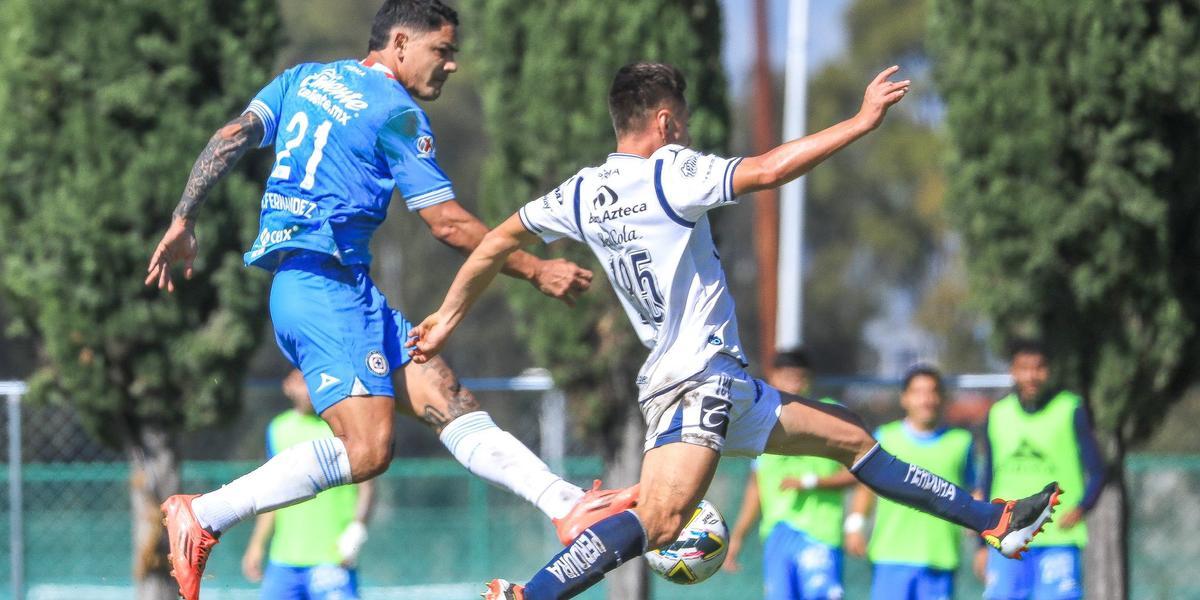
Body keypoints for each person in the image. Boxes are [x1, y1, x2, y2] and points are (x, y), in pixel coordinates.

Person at [407, 61, 1062, 600]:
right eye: (683, 123)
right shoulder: (672, 171)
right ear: (665, 122)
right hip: (701, 379)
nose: (687, 133)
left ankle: (995, 519)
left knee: (854, 437)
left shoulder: (580, 192)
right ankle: (533, 596)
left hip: (705, 380)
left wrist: (449, 314)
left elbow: (494, 242)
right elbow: (771, 169)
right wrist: (860, 123)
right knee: (661, 521)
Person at [145, 3, 635, 598]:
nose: (452, 65)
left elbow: (230, 138)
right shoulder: (397, 114)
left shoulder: (303, 79)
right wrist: (536, 269)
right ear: (400, 43)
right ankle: (205, 515)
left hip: (338, 287)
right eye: (443, 51)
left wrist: (183, 216)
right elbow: (447, 224)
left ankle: (566, 506)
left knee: (446, 396)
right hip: (324, 289)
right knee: (368, 448)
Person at [975, 340, 1105, 600]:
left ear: (1049, 371)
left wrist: (1082, 507)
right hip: (1006, 538)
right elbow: (988, 479)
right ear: (1013, 370)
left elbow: (1098, 470)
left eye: (1039, 368)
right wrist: (981, 544)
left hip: (1058, 537)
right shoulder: (998, 414)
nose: (1031, 376)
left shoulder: (1070, 409)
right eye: (1024, 368)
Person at [723, 349, 856, 600]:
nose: (795, 382)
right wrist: (738, 536)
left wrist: (812, 482)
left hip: (820, 533)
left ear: (810, 379)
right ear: (773, 377)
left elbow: (857, 474)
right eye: (787, 376)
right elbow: (756, 485)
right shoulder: (761, 421)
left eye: (801, 376)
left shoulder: (833, 414)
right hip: (777, 534)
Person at [843, 365, 975, 600]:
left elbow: (973, 490)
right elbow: (866, 487)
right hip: (891, 557)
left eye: (932, 391)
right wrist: (855, 525)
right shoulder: (885, 437)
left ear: (942, 398)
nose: (926, 399)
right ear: (905, 398)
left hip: (940, 557)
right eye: (918, 392)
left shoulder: (961, 442)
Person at [241, 370, 376, 600]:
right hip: (284, 559)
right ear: (288, 386)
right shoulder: (278, 429)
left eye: (314, 380)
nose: (308, 389)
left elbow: (368, 487)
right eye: (302, 382)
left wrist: (355, 534)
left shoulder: (344, 427)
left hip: (331, 558)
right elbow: (273, 492)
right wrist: (256, 545)